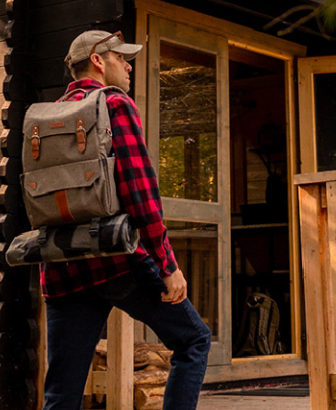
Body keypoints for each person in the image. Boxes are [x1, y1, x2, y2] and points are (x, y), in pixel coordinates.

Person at [40, 29, 211, 410]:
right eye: (121, 58)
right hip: (117, 261)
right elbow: (140, 191)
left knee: (61, 394)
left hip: (62, 267)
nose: (128, 65)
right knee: (194, 340)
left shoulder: (50, 114)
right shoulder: (114, 103)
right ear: (98, 61)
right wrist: (167, 264)